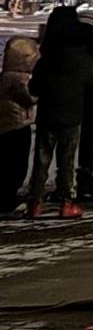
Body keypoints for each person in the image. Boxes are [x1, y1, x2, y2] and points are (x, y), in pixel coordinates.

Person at [27, 5, 93, 218]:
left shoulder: (47, 58)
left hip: (47, 115)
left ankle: (35, 202)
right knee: (67, 161)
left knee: (41, 160)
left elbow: (35, 87)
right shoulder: (83, 58)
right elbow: (91, 81)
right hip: (72, 115)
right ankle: (66, 202)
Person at [53, 0, 93, 204]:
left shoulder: (60, 41)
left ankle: (65, 181)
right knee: (87, 131)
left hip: (64, 97)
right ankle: (82, 175)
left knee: (62, 137)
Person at [0, 35, 35, 215]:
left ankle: (7, 196)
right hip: (17, 123)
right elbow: (28, 98)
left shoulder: (5, 75)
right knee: (16, 162)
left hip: (6, 124)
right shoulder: (19, 79)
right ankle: (8, 199)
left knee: (8, 161)